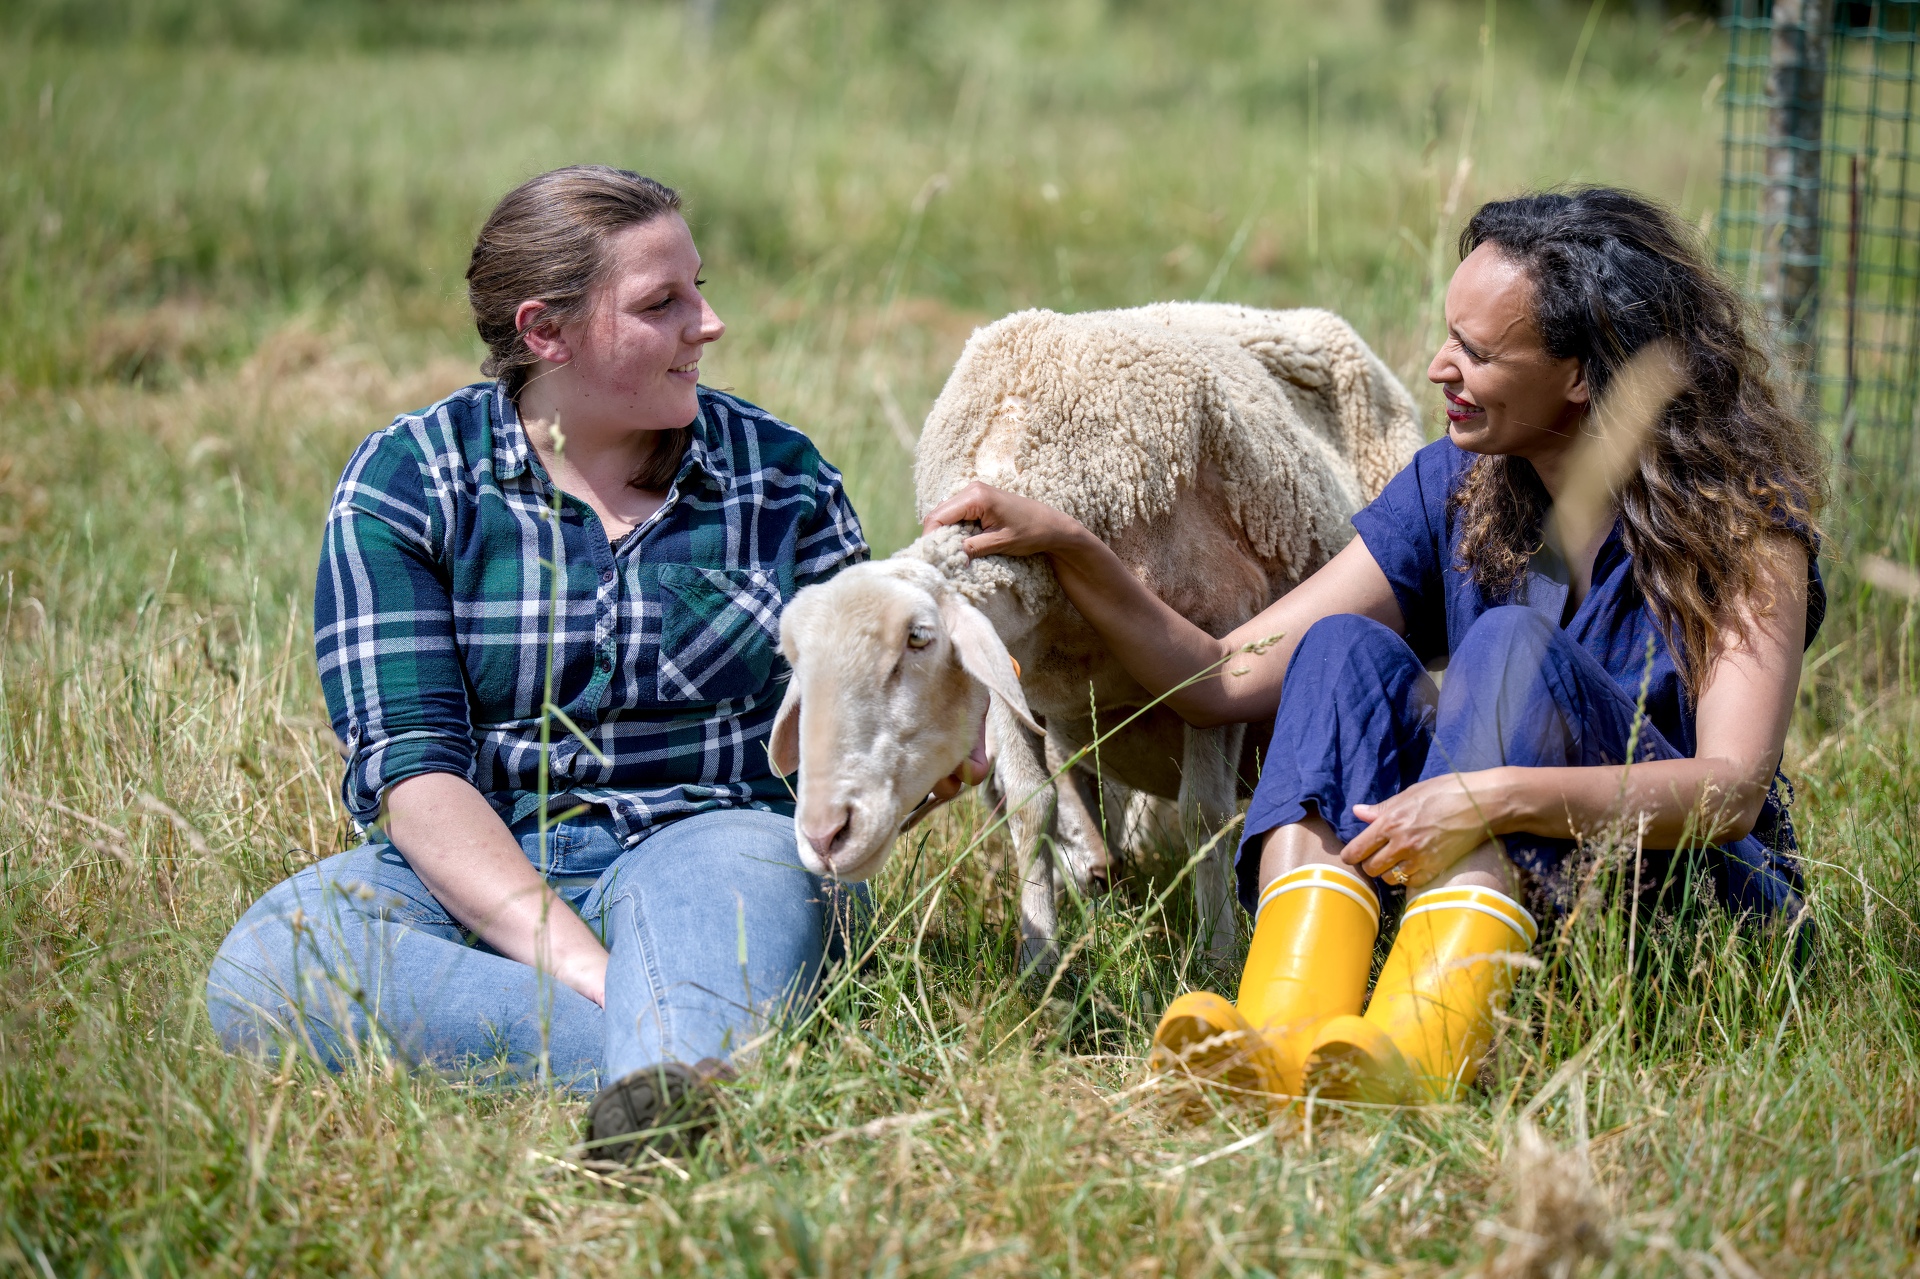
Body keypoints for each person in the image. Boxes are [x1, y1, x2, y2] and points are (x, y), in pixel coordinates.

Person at [924, 187, 1825, 1105]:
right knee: (1338, 653)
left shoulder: (1746, 530)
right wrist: (1073, 545)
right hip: (1514, 908)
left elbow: (1732, 794)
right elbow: (1223, 677)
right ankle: (1282, 1033)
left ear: (1584, 375)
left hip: (1691, 920)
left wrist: (1487, 795)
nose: (1439, 365)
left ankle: (1417, 1056)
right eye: (1449, 336)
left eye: (1477, 352)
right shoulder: (1460, 485)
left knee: (1513, 645)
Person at [206, 166, 870, 1158]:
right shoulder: (407, 482)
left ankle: (668, 1091)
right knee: (271, 965)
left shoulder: (780, 476)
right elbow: (417, 777)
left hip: (715, 850)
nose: (710, 321)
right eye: (662, 303)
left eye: (698, 286)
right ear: (545, 332)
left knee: (752, 869)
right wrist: (595, 972)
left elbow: (859, 723)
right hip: (473, 869)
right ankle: (675, 1066)